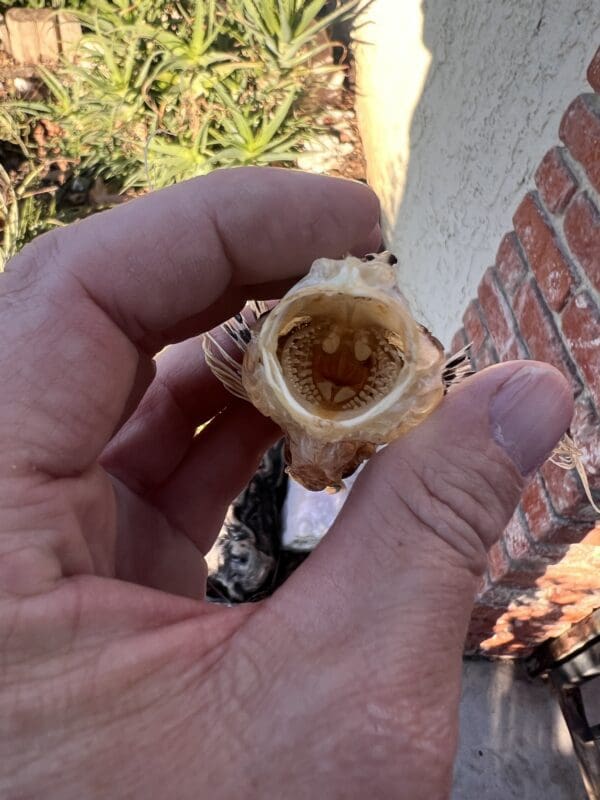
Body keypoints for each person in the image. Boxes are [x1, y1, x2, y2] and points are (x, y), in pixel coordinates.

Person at [0, 168, 572, 799]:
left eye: (362, 357)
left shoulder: (268, 364)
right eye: (318, 344)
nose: (337, 361)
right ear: (264, 353)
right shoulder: (244, 364)